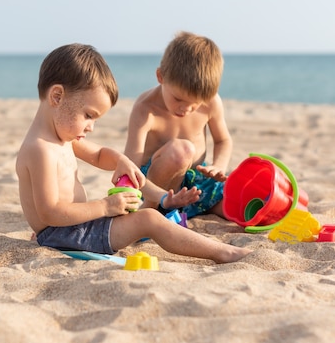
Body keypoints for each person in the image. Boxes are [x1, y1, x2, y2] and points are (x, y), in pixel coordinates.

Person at [15, 43, 251, 263]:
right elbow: (50, 211)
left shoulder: (59, 138)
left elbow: (98, 155)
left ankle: (167, 205)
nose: (91, 127)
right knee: (149, 220)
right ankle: (222, 252)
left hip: (75, 226)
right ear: (57, 96)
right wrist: (105, 207)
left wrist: (121, 160)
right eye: (88, 115)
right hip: (65, 234)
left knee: (143, 214)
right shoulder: (40, 150)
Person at [124, 31, 232, 219]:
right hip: (156, 186)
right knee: (181, 151)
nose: (186, 109)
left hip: (196, 181)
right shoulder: (145, 109)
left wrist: (219, 166)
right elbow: (129, 167)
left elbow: (223, 140)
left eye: (195, 103)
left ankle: (188, 209)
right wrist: (154, 195)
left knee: (242, 205)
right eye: (178, 99)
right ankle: (153, 209)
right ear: (160, 76)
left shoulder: (211, 102)